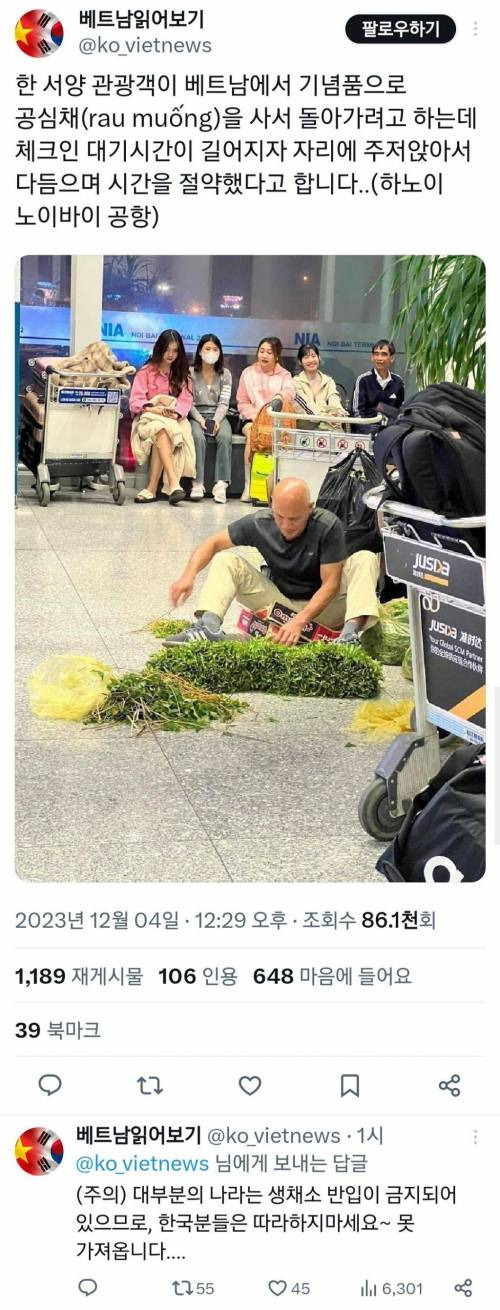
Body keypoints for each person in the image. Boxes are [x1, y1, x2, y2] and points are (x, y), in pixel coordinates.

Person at [165, 477, 380, 647]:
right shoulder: (260, 523)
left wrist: (300, 621)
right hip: (280, 606)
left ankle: (349, 637)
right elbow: (212, 543)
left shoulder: (327, 525)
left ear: (310, 508)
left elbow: (331, 584)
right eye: (280, 516)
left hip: (325, 609)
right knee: (226, 560)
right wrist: (188, 575)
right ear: (272, 506)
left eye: (294, 519)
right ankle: (208, 627)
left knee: (365, 558)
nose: (286, 525)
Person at [130, 329, 195, 505]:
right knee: (160, 427)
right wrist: (156, 409)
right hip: (148, 417)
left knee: (163, 430)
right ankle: (174, 483)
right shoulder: (146, 372)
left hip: (174, 420)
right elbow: (135, 402)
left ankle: (151, 489)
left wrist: (174, 412)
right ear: (159, 349)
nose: (170, 355)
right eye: (167, 350)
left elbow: (185, 402)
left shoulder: (182, 374)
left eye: (175, 351)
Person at [236, 337, 294, 501]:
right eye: (261, 351)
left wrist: (278, 398)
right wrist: (258, 417)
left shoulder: (284, 375)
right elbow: (242, 402)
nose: (264, 355)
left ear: (276, 356)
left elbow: (289, 393)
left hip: (276, 421)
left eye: (269, 352)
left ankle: (277, 486)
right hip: (252, 420)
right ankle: (249, 485)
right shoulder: (247, 373)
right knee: (252, 435)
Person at [189, 334, 233, 504]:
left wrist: (215, 420)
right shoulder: (190, 373)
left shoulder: (225, 374)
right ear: (200, 351)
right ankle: (197, 483)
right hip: (196, 415)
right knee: (198, 438)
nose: (211, 352)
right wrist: (200, 420)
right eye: (207, 349)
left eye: (215, 349)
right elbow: (188, 402)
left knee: (224, 437)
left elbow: (224, 402)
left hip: (218, 415)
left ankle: (221, 484)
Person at [351, 339, 405, 429]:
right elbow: (357, 413)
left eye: (384, 354)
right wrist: (369, 431)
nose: (379, 358)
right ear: (372, 357)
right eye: (376, 354)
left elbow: (400, 412)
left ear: (392, 358)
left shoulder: (398, 382)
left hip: (390, 432)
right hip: (367, 431)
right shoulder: (363, 380)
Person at [293, 343, 348, 422]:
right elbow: (307, 407)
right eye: (306, 357)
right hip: (306, 428)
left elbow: (334, 399)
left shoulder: (328, 381)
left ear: (319, 358)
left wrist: (337, 413)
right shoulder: (295, 382)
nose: (311, 360)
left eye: (313, 356)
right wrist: (326, 417)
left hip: (329, 426)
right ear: (300, 361)